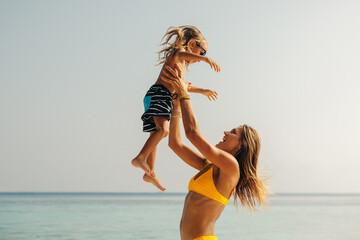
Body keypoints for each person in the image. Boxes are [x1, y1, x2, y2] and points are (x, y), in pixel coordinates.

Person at [162, 64, 269, 240]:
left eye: (233, 132)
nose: (226, 132)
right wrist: (176, 106)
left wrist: (184, 94)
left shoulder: (231, 167)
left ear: (240, 146)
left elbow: (193, 134)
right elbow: (175, 144)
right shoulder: (209, 166)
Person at [131, 26, 220, 191]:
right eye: (202, 52)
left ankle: (149, 173)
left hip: (157, 96)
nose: (200, 57)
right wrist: (206, 60)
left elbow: (182, 88)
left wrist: (203, 91)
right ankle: (140, 158)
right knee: (163, 132)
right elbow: (181, 54)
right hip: (160, 94)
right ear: (193, 44)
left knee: (155, 135)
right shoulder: (178, 53)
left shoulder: (181, 65)